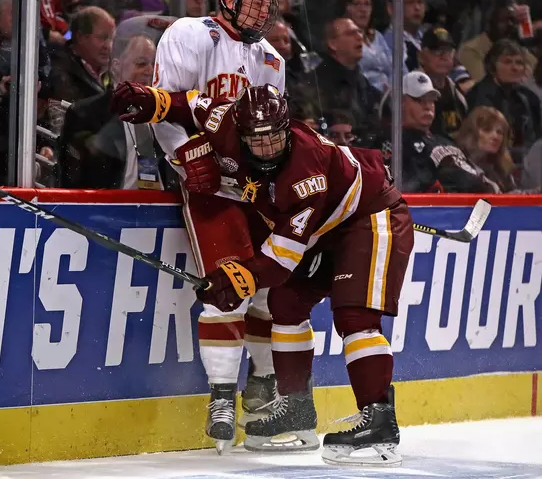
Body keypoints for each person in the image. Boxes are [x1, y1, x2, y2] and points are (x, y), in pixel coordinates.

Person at [112, 83, 414, 464]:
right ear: (239, 131)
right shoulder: (223, 119)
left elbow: (279, 261)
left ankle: (379, 420)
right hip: (324, 226)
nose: (268, 149)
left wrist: (236, 279)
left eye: (275, 138)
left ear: (287, 129)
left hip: (366, 216)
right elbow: (188, 104)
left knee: (355, 315)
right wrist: (153, 101)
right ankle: (297, 408)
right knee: (285, 304)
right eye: (257, 141)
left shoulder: (305, 172)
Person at [111, 0, 284, 453]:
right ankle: (222, 397)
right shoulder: (192, 34)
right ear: (227, 0)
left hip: (254, 184)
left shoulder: (271, 58)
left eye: (265, 3)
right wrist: (188, 154)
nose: (260, 11)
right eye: (251, 0)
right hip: (210, 185)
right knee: (229, 285)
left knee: (272, 289)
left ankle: (264, 385)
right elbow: (165, 105)